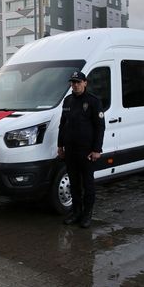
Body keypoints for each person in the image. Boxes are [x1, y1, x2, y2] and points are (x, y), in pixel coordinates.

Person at [58, 71, 105, 229]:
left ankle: (87, 215)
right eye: (73, 82)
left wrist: (97, 149)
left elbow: (100, 127)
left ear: (85, 83)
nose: (75, 85)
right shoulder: (68, 100)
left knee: (88, 184)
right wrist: (60, 146)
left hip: (86, 151)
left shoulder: (93, 101)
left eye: (78, 82)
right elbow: (62, 125)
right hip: (70, 150)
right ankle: (76, 212)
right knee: (75, 183)